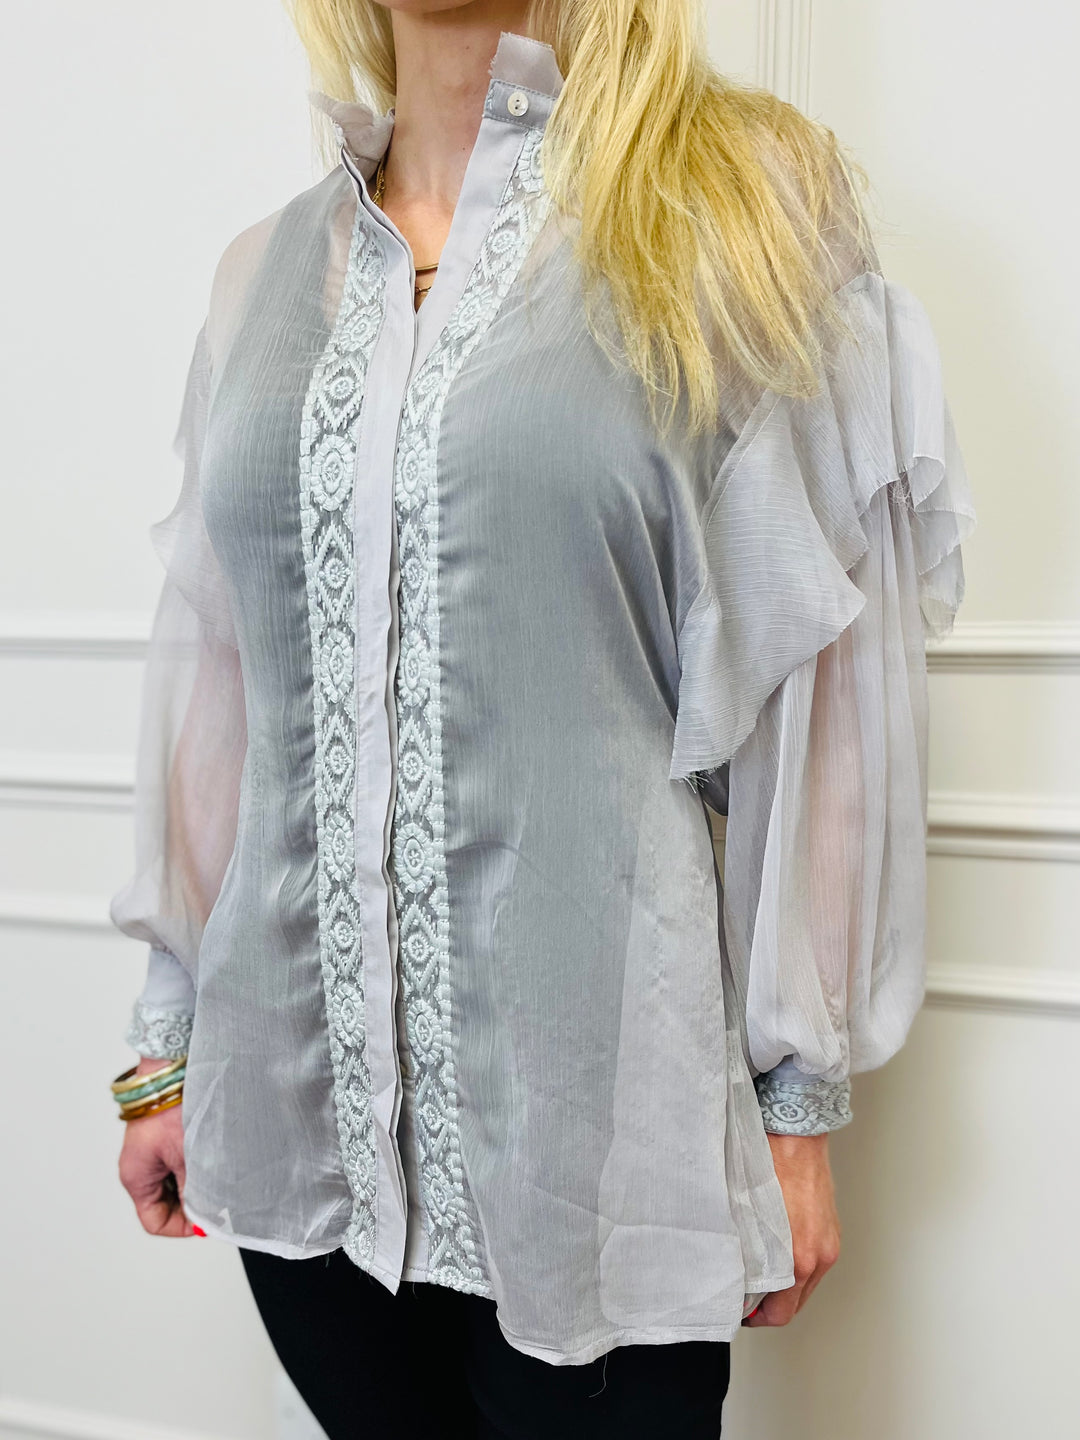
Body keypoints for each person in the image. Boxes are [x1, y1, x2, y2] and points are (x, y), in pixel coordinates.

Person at [109, 1, 975, 1436]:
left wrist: (797, 1102)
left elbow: (821, 692)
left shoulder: (734, 214)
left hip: (600, 1166)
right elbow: (215, 684)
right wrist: (165, 1043)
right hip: (297, 1149)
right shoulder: (261, 277)